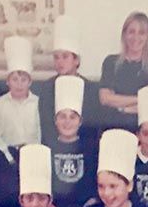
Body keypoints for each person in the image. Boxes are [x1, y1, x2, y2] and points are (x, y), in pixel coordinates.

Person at [36, 15, 102, 145]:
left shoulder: (90, 89)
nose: (60, 62)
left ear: (76, 60)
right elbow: (46, 127)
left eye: (65, 57)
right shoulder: (47, 88)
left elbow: (92, 128)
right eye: (56, 57)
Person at [99, 11, 148, 131]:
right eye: (131, 32)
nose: (136, 37)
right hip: (112, 127)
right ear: (124, 34)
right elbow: (105, 98)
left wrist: (121, 107)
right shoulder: (111, 62)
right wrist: (141, 99)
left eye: (141, 33)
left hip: (143, 132)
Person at [46, 74, 98, 207]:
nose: (67, 122)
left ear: (80, 121)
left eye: (72, 117)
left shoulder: (90, 148)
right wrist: (46, 202)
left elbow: (96, 179)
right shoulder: (47, 147)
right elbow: (43, 180)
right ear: (56, 121)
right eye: (62, 116)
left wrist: (93, 200)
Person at [0, 36, 41, 159]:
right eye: (15, 79)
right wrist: (7, 156)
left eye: (23, 80)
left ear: (30, 82)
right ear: (7, 81)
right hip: (8, 154)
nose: (19, 84)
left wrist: (36, 153)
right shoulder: (0, 104)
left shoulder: (38, 103)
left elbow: (40, 133)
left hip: (34, 153)